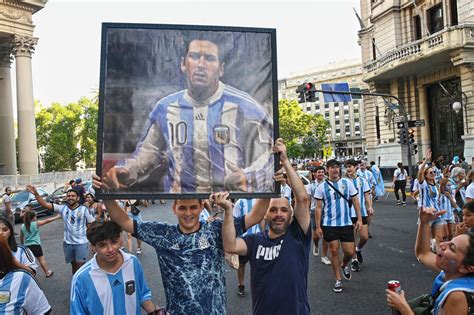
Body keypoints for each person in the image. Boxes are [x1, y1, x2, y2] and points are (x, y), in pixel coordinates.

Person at [102, 33, 274, 194]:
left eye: (209, 58)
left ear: (221, 69)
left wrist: (248, 177)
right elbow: (148, 154)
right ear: (183, 64)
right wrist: (125, 170)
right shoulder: (165, 108)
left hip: (229, 206)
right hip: (181, 208)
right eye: (194, 56)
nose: (200, 65)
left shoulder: (246, 106)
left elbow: (269, 156)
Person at [92, 178, 270, 315]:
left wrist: (270, 186)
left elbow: (256, 216)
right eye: (182, 208)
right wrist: (105, 193)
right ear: (174, 208)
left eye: (193, 207)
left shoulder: (217, 229)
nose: (188, 213)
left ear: (202, 207)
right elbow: (123, 221)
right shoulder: (162, 234)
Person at [222, 138, 311, 314]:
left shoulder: (298, 235)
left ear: (291, 214)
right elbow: (229, 245)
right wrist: (227, 212)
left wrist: (285, 161)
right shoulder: (255, 241)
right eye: (273, 210)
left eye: (284, 210)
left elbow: (302, 198)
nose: (279, 214)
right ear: (265, 214)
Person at [386, 207, 474, 315]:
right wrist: (424, 222)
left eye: (452, 248)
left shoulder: (458, 297)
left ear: (465, 268)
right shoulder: (454, 271)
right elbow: (423, 254)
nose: (442, 244)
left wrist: (403, 307)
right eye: (449, 241)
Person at [70, 220, 160, 314]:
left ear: (120, 240)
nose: (110, 249)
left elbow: (142, 294)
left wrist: (157, 312)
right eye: (102, 245)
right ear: (92, 247)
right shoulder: (81, 277)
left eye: (114, 242)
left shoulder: (132, 262)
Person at [315, 159, 363, 293]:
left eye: (337, 167)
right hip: (329, 225)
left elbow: (355, 200)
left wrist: (359, 218)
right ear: (327, 170)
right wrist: (318, 226)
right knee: (334, 251)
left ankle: (344, 264)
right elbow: (318, 208)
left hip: (346, 223)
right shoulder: (321, 187)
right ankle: (338, 280)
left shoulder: (347, 183)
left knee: (349, 251)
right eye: (332, 168)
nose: (335, 170)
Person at [26, 185, 95, 274]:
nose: (70, 198)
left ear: (78, 198)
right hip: (68, 243)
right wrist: (36, 194)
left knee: (80, 266)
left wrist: (93, 241)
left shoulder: (84, 209)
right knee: (73, 265)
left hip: (81, 243)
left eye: (73, 196)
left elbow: (91, 224)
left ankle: (81, 284)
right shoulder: (62, 208)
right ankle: (75, 283)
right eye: (69, 196)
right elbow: (45, 204)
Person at [0, 236, 52, 314]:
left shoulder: (22, 250)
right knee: (41, 258)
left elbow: (33, 272)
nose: (1, 232)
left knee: (41, 259)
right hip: (34, 245)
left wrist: (15, 263)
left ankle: (47, 272)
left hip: (31, 247)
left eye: (4, 229)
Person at [345, 159, 374, 272]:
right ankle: (354, 261)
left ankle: (358, 249)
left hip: (361, 213)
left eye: (350, 166)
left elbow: (367, 195)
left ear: (356, 167)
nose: (348, 169)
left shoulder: (362, 180)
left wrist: (370, 206)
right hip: (348, 214)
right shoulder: (344, 182)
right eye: (347, 167)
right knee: (352, 238)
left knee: (364, 237)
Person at [232, 198, 263, 297]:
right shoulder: (239, 202)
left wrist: (263, 234)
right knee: (241, 264)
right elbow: (235, 220)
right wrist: (235, 238)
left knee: (259, 264)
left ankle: (259, 286)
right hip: (243, 239)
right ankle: (241, 285)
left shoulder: (258, 200)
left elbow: (261, 218)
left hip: (256, 237)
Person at [417, 150, 446, 253]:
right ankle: (424, 254)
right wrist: (426, 160)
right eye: (430, 172)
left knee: (439, 238)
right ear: (425, 175)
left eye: (434, 172)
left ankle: (439, 256)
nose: (433, 173)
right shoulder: (423, 184)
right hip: (427, 214)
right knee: (427, 239)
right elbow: (420, 172)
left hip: (437, 213)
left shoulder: (436, 185)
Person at [20, 210, 55, 277]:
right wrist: (57, 216)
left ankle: (30, 275)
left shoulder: (22, 226)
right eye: (35, 216)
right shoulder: (36, 223)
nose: (36, 217)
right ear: (33, 218)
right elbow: (47, 220)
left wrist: (22, 244)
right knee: (41, 259)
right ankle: (47, 273)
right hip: (36, 245)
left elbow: (21, 236)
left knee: (29, 263)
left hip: (27, 246)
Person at [307, 166, 331, 264]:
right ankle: (316, 245)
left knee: (326, 235)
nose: (321, 174)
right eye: (318, 172)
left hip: (327, 211)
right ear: (314, 174)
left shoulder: (328, 184)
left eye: (322, 172)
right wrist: (307, 210)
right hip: (314, 211)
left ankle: (324, 256)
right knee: (316, 236)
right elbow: (308, 199)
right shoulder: (311, 185)